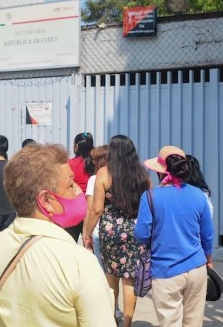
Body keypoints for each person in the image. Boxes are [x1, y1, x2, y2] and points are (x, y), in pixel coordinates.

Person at [0, 144, 116, 326]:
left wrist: (3, 305)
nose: (77, 190)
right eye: (70, 184)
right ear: (46, 201)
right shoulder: (80, 262)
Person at [136, 145, 214, 327]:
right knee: (194, 321)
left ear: (160, 172)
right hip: (196, 268)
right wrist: (208, 259)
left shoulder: (150, 197)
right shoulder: (199, 195)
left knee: (170, 322)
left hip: (165, 271)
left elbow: (141, 234)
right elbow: (207, 235)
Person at [83, 135, 148, 327]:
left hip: (110, 231)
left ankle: (112, 320)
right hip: (134, 231)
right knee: (129, 281)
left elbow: (96, 209)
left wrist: (87, 233)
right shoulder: (142, 174)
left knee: (111, 279)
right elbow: (147, 205)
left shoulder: (104, 173)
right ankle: (127, 323)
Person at [66, 132, 94, 241]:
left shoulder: (69, 164)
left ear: (76, 146)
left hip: (74, 208)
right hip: (92, 207)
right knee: (89, 242)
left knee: (70, 242)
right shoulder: (96, 163)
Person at [84, 145, 109, 264]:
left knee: (102, 270)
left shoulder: (94, 179)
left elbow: (91, 208)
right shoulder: (120, 178)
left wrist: (86, 233)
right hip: (120, 228)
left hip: (98, 229)